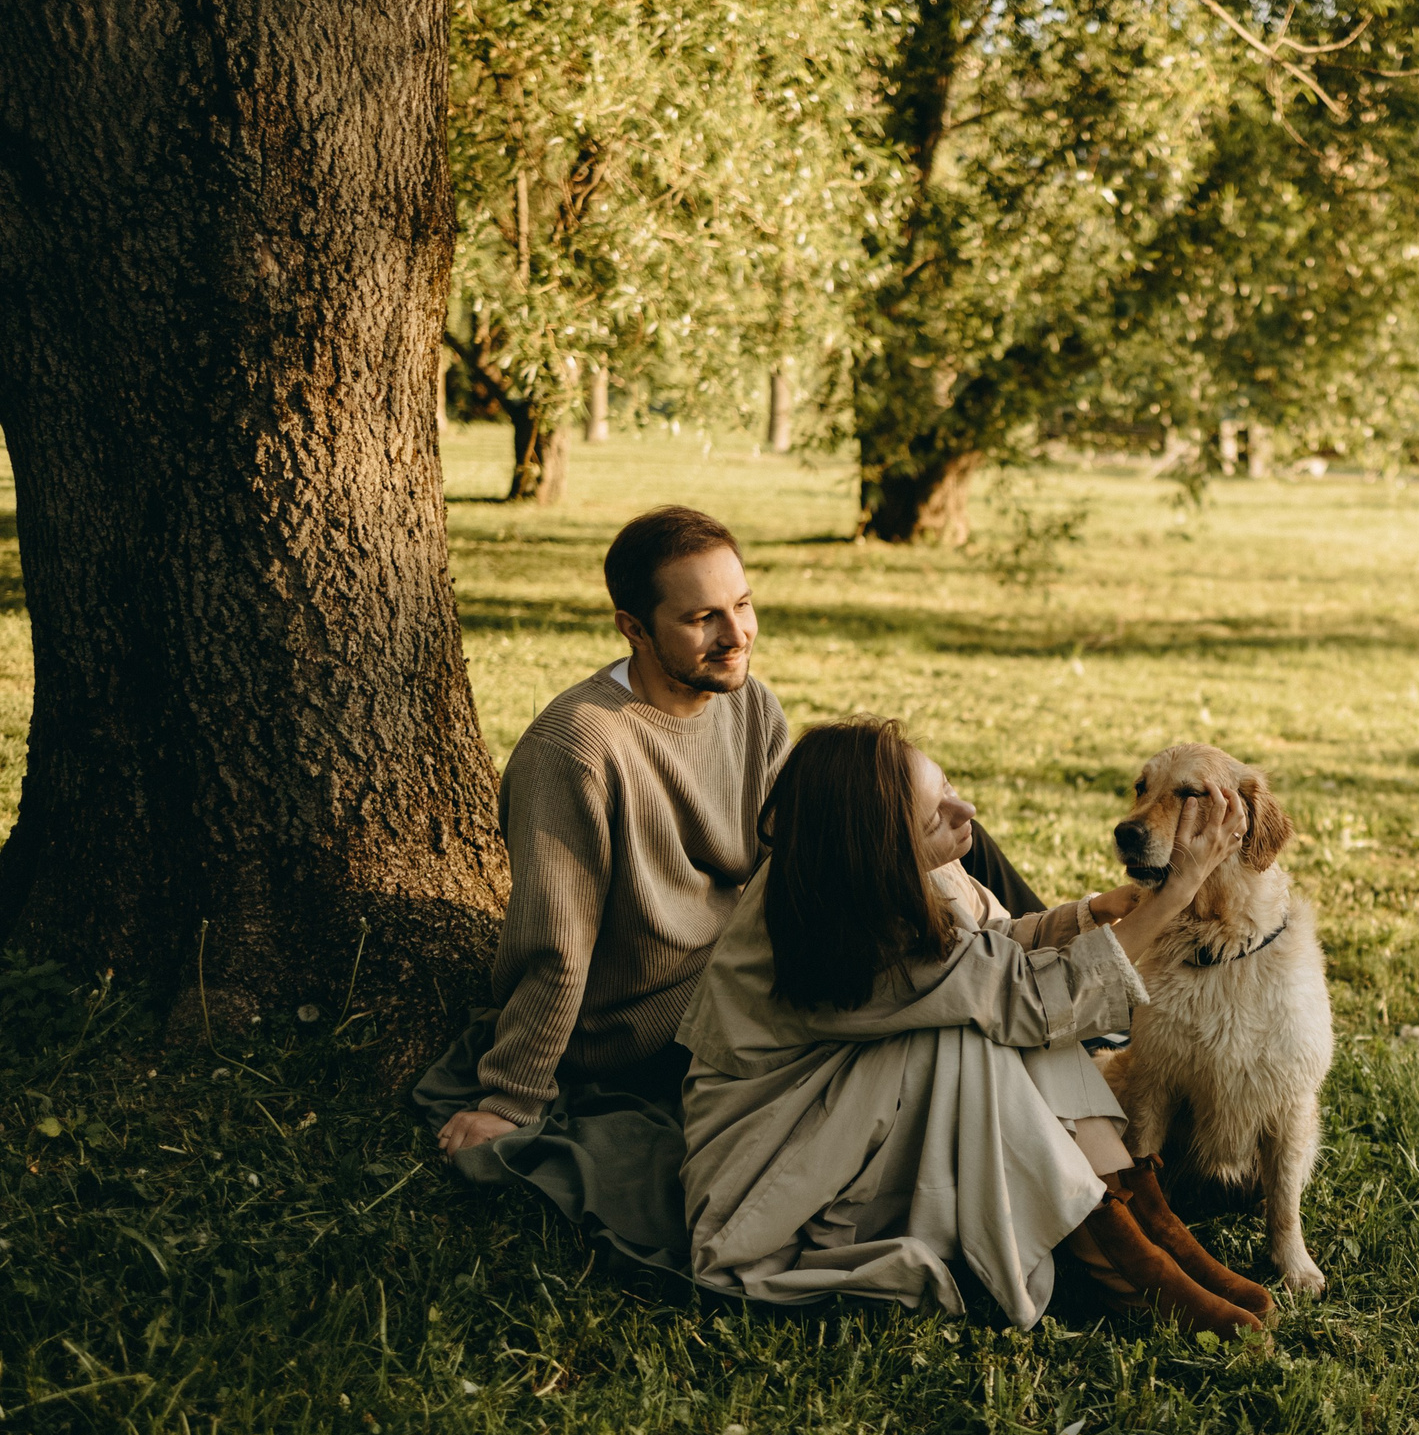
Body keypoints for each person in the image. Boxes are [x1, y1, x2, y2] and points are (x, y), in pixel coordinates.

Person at [410, 506, 1048, 1271]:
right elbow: (556, 948)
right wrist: (511, 1098)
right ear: (634, 628)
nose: (736, 633)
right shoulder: (577, 749)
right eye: (701, 618)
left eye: (741, 604)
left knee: (949, 835)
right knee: (930, 992)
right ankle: (1049, 1030)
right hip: (654, 1032)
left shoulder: (749, 705)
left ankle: (1056, 974)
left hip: (745, 971)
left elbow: (793, 854)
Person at [677, 717, 1276, 1332]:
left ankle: (1144, 1223)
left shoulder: (902, 863)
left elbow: (992, 943)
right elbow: (1018, 994)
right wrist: (1176, 892)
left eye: (948, 787)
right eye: (935, 816)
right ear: (881, 843)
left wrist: (1091, 912)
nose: (964, 811)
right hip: (778, 1165)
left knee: (1001, 1012)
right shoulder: (850, 916)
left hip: (850, 1115)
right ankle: (1115, 1262)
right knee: (978, 1034)